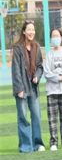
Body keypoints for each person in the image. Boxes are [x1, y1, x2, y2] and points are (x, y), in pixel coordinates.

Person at [11, 20, 45, 152]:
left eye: (33, 29)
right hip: (22, 87)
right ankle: (26, 146)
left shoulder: (36, 47)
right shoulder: (17, 48)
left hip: (33, 87)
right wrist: (19, 89)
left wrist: (37, 76)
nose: (31, 32)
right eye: (29, 29)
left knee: (36, 116)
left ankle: (38, 144)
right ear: (24, 32)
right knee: (23, 117)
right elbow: (16, 70)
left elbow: (40, 66)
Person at [44, 28, 62, 151]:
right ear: (51, 39)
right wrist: (60, 77)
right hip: (51, 91)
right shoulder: (49, 55)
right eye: (53, 36)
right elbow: (47, 73)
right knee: (52, 119)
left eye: (57, 36)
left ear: (61, 37)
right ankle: (53, 142)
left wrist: (56, 71)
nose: (55, 38)